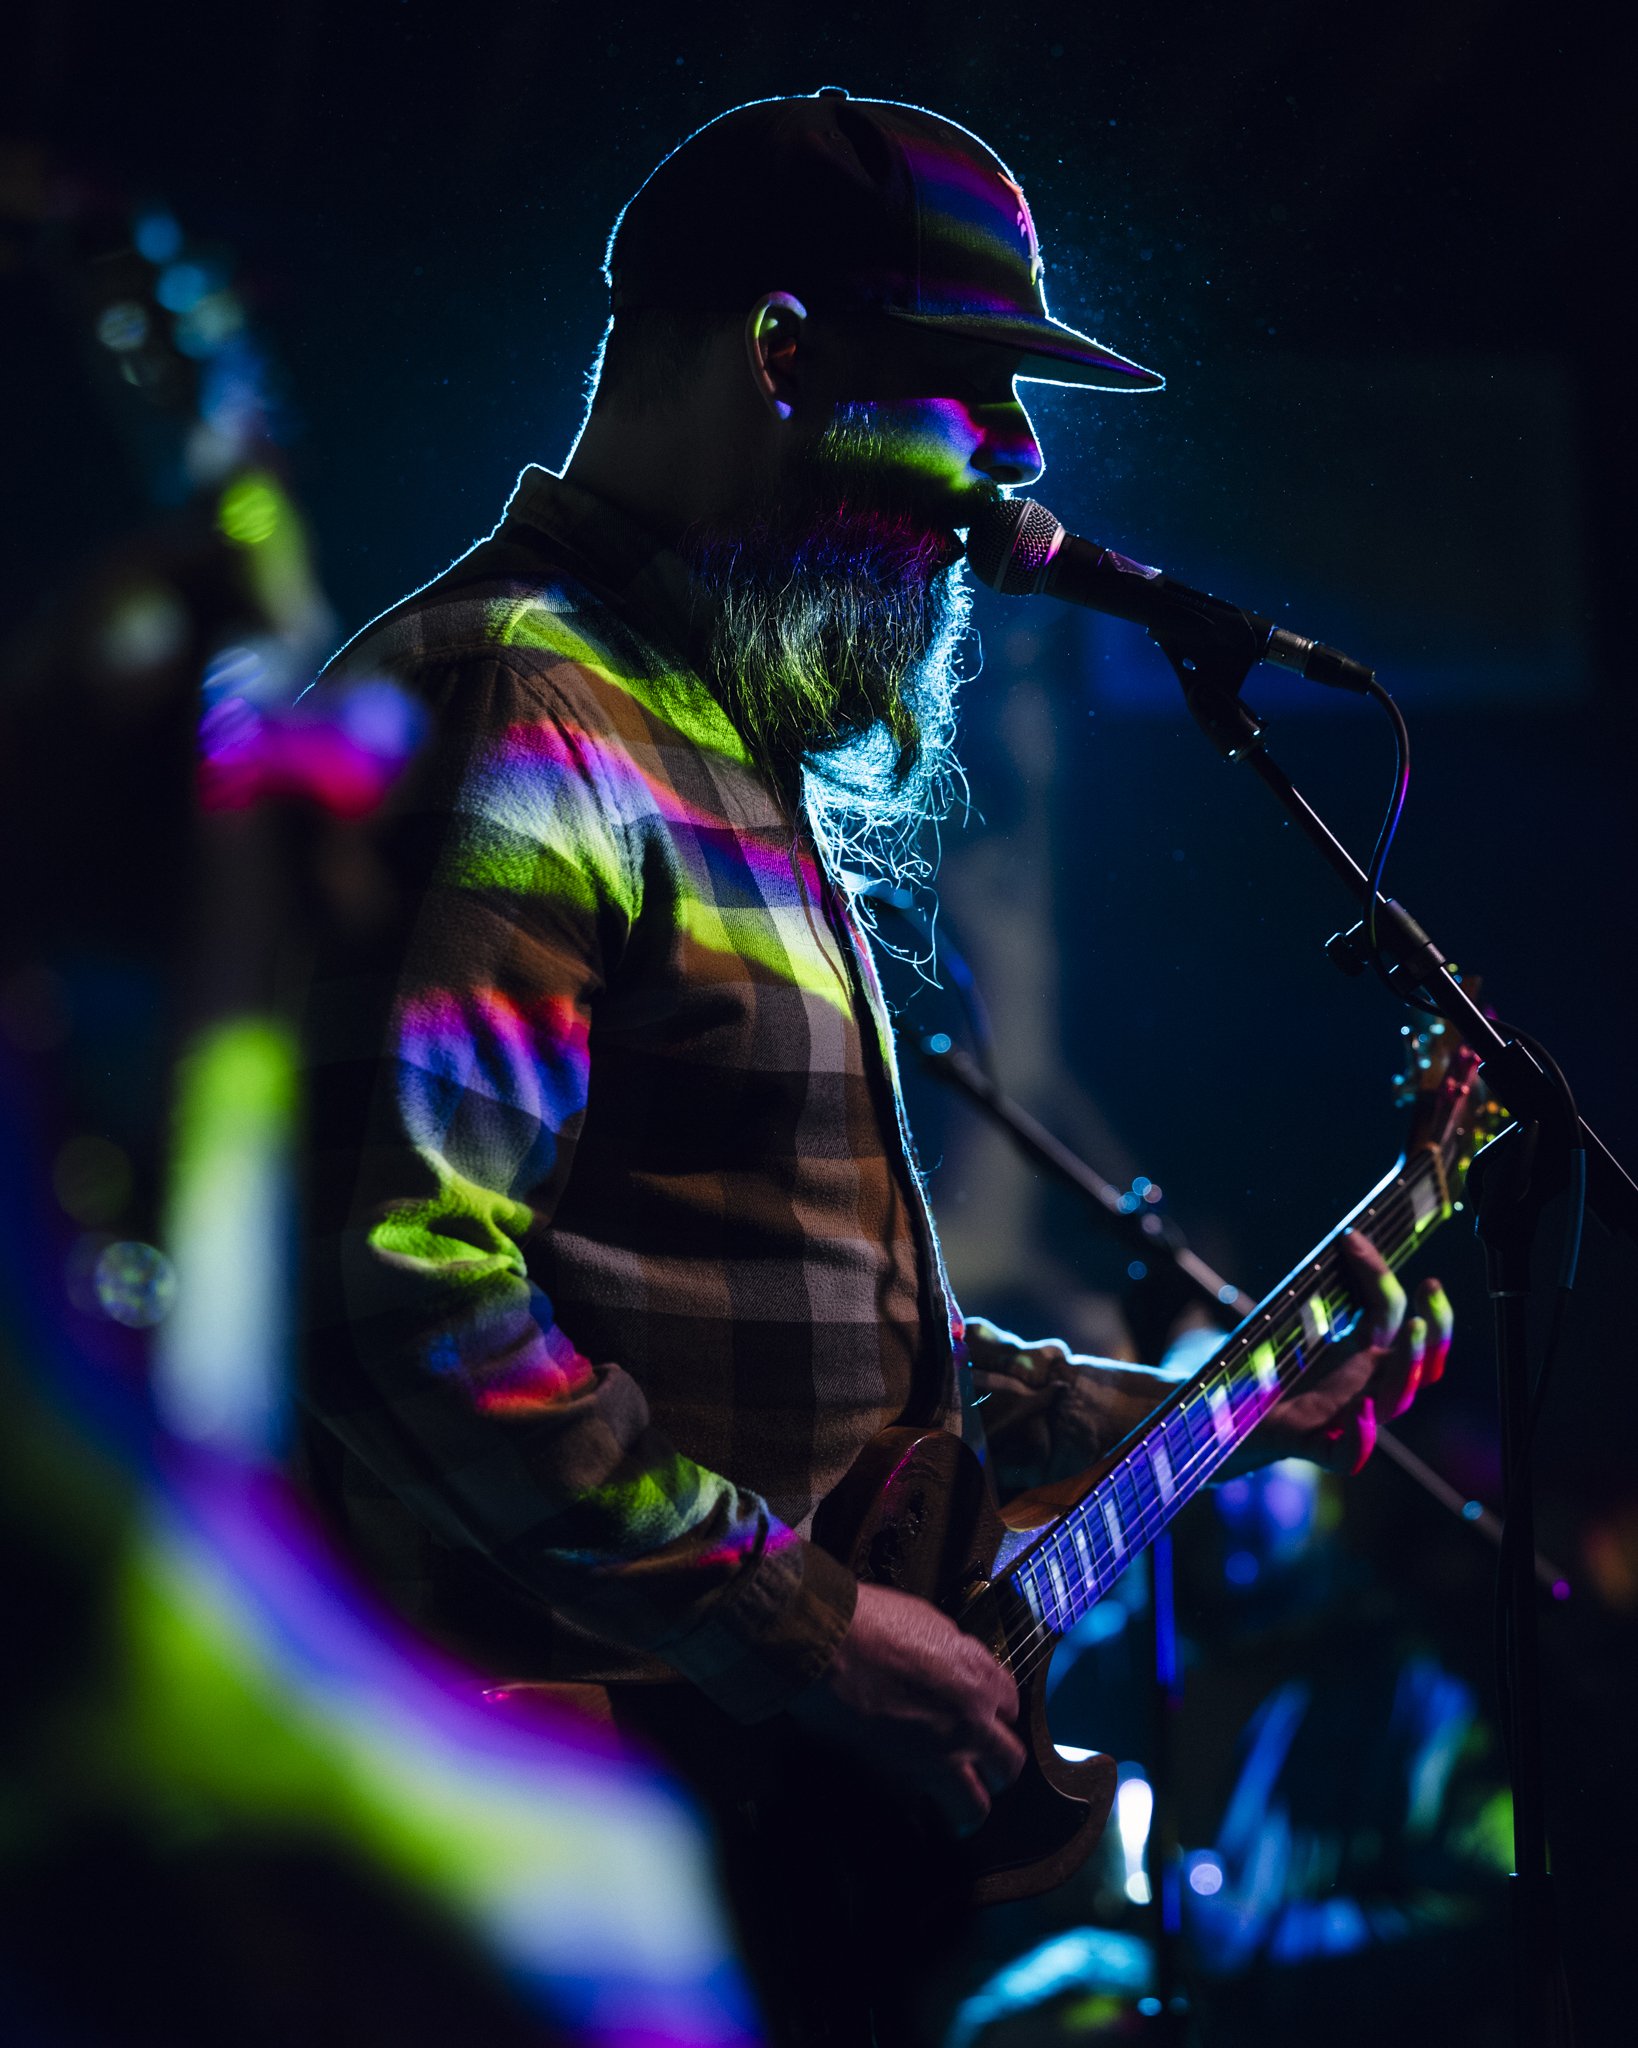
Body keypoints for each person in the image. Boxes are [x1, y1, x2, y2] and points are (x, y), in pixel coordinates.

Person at [296, 89, 1451, 2043]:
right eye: (976, 394)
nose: (1018, 468)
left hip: (753, 1863)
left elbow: (799, 1371)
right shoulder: (527, 712)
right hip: (578, 1865)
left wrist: (1188, 1408)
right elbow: (399, 1290)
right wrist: (808, 1635)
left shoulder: (699, 745)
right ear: (780, 357)